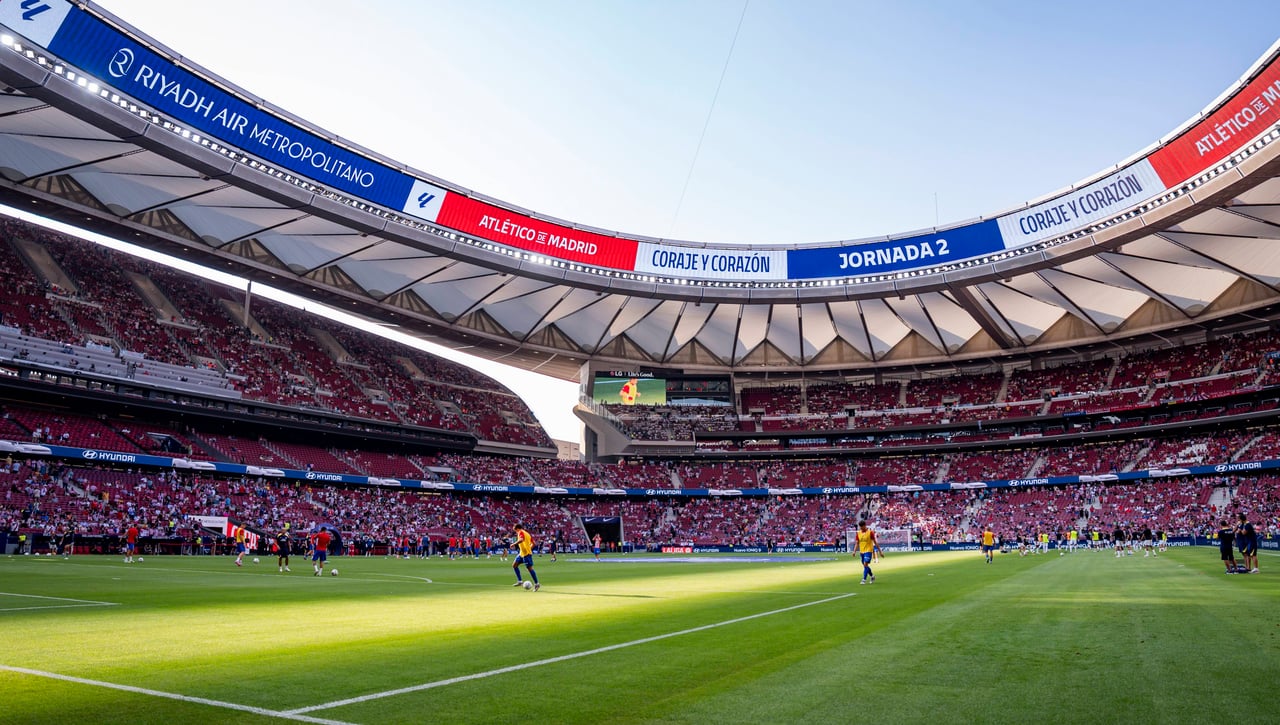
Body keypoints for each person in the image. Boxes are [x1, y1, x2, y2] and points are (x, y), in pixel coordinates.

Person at [511, 523, 540, 591]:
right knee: (514, 565)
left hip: (526, 554)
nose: (515, 532)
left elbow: (521, 539)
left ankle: (537, 584)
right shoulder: (527, 534)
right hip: (521, 553)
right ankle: (520, 581)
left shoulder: (520, 532)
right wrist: (529, 548)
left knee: (529, 569)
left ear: (517, 528)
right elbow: (534, 544)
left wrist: (514, 544)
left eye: (515, 530)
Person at [853, 520, 880, 584]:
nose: (861, 528)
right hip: (862, 551)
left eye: (862, 527)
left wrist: (880, 551)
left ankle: (864, 579)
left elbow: (875, 542)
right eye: (860, 527)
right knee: (865, 566)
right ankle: (872, 576)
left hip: (868, 551)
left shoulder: (870, 532)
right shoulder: (858, 533)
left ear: (865, 526)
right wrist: (854, 551)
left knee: (865, 564)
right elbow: (857, 543)